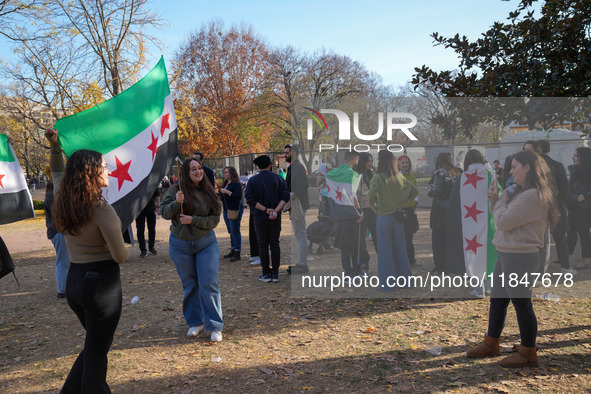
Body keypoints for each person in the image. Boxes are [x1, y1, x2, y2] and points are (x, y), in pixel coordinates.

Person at [46, 128, 128, 393]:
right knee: (96, 352)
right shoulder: (101, 209)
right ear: (91, 172)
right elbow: (120, 256)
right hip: (101, 286)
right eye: (104, 167)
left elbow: (58, 172)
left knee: (94, 346)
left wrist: (55, 146)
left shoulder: (61, 198)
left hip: (75, 283)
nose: (109, 171)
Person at [467, 150, 559, 368]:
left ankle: (528, 353)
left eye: (515, 166)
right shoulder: (522, 192)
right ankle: (492, 342)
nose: (511, 171)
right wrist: (495, 199)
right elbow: (500, 216)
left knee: (521, 305)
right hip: (508, 253)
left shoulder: (532, 195)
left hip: (520, 257)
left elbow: (504, 221)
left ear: (528, 167)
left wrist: (500, 201)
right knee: (498, 301)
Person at [160, 158, 224, 342]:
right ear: (186, 173)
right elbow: (164, 212)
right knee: (190, 285)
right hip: (180, 246)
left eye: (199, 168)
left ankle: (214, 326)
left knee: (209, 283)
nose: (197, 172)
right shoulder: (176, 189)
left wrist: (193, 220)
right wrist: (176, 202)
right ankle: (195, 322)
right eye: (193, 169)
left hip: (205, 243)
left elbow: (214, 219)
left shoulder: (208, 190)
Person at [445, 150, 497, 297]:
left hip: (469, 225)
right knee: (489, 253)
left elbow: (454, 205)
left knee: (473, 253)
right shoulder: (491, 176)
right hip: (490, 222)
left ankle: (478, 288)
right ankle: (489, 286)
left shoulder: (462, 179)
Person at [368, 150, 418, 290]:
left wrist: (373, 207)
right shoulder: (400, 177)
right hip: (397, 217)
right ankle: (406, 281)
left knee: (385, 252)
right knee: (401, 250)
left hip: (383, 217)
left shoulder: (378, 178)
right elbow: (414, 191)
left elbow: (371, 195)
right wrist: (403, 203)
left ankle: (387, 284)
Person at [245, 155, 290, 283]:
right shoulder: (278, 179)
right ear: (270, 165)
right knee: (275, 243)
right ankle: (275, 273)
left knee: (263, 244)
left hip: (260, 216)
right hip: (275, 215)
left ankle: (266, 273)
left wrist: (265, 209)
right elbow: (285, 196)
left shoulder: (253, 181)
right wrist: (275, 210)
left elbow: (250, 199)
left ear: (258, 167)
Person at [327, 151, 368, 280]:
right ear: (355, 160)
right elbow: (353, 195)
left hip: (339, 214)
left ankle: (348, 273)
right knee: (354, 245)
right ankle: (356, 272)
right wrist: (360, 211)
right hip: (351, 214)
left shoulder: (333, 173)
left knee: (344, 247)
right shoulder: (352, 174)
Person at [537, 139, 574, 274]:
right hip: (556, 204)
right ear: (549, 149)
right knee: (560, 237)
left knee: (539, 239)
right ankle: (565, 267)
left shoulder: (533, 165)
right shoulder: (557, 165)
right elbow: (565, 188)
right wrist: (561, 202)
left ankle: (539, 268)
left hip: (538, 205)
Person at [428, 152, 461, 274]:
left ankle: (440, 265)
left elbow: (437, 191)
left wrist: (430, 190)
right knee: (450, 237)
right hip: (452, 207)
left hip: (439, 209)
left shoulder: (439, 173)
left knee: (438, 238)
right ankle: (451, 263)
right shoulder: (457, 172)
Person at [43, 166, 71, 298]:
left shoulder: (56, 192)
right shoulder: (53, 194)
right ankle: (62, 290)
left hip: (60, 232)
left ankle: (65, 288)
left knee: (65, 261)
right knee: (63, 262)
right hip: (59, 233)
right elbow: (58, 217)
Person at [285, 145, 310, 275]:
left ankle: (303, 264)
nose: (285, 155)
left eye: (287, 153)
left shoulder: (298, 167)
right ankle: (302, 263)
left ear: (293, 153)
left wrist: (293, 195)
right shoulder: (294, 167)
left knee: (300, 234)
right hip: (296, 203)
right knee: (299, 234)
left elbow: (303, 185)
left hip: (298, 204)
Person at [567, 147, 591, 270]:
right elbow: (569, 189)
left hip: (585, 208)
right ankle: (565, 257)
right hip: (573, 206)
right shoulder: (574, 170)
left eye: (576, 155)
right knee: (570, 232)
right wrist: (575, 197)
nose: (573, 157)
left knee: (584, 234)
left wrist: (584, 197)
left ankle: (585, 260)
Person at [355, 152, 377, 273]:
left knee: (377, 236)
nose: (370, 163)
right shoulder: (357, 175)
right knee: (360, 239)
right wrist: (358, 211)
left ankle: (383, 260)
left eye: (371, 161)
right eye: (368, 161)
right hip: (361, 209)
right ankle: (364, 262)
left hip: (372, 208)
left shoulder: (373, 174)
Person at [397, 155, 420, 266]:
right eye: (403, 163)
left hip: (410, 209)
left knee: (409, 236)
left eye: (407, 163)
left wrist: (414, 202)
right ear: (398, 164)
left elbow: (415, 194)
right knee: (402, 236)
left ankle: (411, 259)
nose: (405, 165)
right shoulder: (396, 177)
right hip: (401, 209)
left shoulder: (411, 177)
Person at [219, 166, 244, 262]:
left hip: (234, 209)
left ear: (232, 173)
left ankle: (237, 252)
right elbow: (222, 197)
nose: (224, 174)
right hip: (226, 209)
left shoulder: (236, 184)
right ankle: (233, 249)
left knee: (235, 230)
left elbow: (238, 196)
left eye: (226, 172)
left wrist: (227, 192)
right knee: (230, 231)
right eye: (224, 172)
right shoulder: (225, 184)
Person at [135, 189, 160, 258]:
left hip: (151, 209)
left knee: (152, 229)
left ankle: (151, 247)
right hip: (139, 210)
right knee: (140, 230)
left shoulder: (151, 180)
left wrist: (158, 206)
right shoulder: (136, 183)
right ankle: (143, 250)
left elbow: (157, 195)